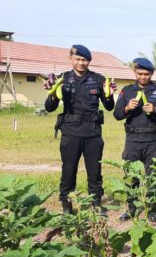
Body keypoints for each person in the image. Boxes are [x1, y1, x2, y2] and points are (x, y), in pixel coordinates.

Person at [43, 44, 116, 214]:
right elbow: (49, 108)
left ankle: (96, 204)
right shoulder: (62, 78)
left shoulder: (98, 80)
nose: (81, 63)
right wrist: (53, 93)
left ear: (89, 61)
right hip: (70, 132)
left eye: (84, 60)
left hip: (92, 133)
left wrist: (109, 94)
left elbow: (109, 106)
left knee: (94, 171)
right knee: (68, 170)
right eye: (77, 59)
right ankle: (67, 205)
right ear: (71, 59)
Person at [113, 58, 156, 221]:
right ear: (135, 72)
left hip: (153, 138)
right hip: (133, 139)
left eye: (147, 74)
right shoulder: (127, 91)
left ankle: (153, 209)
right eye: (140, 74)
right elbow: (117, 115)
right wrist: (127, 108)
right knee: (132, 175)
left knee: (154, 176)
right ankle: (132, 208)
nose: (143, 77)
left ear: (151, 73)